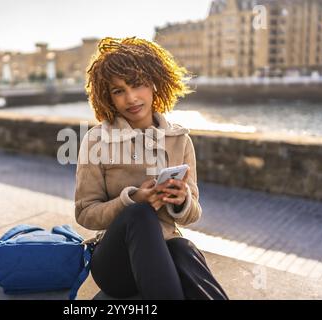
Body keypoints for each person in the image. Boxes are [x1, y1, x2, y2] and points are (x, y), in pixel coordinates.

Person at [75, 37, 228, 300]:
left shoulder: (180, 140)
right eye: (118, 90)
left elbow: (192, 215)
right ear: (107, 97)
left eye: (137, 84)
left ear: (154, 83)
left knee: (183, 248)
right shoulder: (96, 140)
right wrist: (132, 199)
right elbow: (85, 213)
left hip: (166, 253)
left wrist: (181, 200)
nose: (131, 98)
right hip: (115, 264)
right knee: (140, 214)